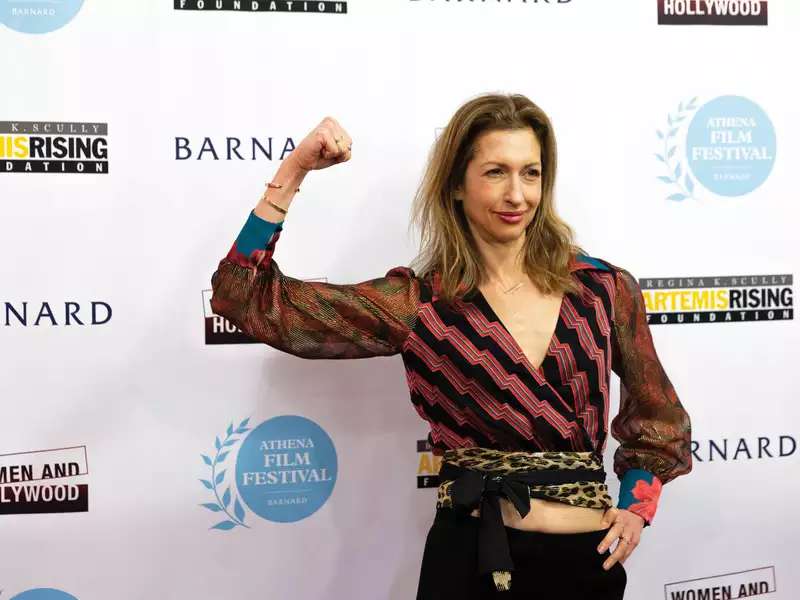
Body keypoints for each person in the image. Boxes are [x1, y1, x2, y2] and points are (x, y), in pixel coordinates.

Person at [209, 93, 692, 599]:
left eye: (531, 173)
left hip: (584, 566)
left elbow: (658, 416)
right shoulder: (421, 304)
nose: (516, 195)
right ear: (457, 186)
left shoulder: (602, 289)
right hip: (470, 563)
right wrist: (296, 168)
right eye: (495, 173)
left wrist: (638, 507)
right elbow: (244, 297)